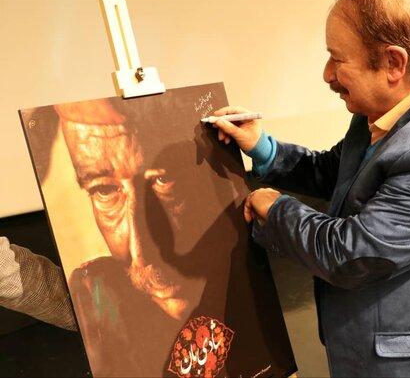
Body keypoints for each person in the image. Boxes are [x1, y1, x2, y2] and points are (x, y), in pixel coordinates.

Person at [212, 0, 410, 378]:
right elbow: (336, 173)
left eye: (337, 59)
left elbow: (353, 256)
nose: (327, 74)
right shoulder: (389, 109)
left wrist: (277, 209)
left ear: (394, 64)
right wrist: (263, 147)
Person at [3, 92, 295, 378]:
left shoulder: (248, 289)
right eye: (104, 190)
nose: (141, 250)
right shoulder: (103, 299)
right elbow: (17, 279)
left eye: (164, 180)